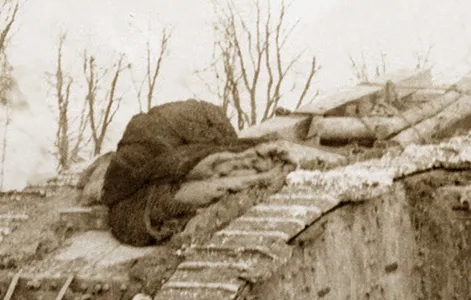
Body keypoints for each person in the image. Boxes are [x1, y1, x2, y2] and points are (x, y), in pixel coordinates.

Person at [101, 99, 335, 246]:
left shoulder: (191, 155)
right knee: (221, 165)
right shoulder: (155, 171)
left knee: (222, 164)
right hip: (156, 168)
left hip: (165, 166)